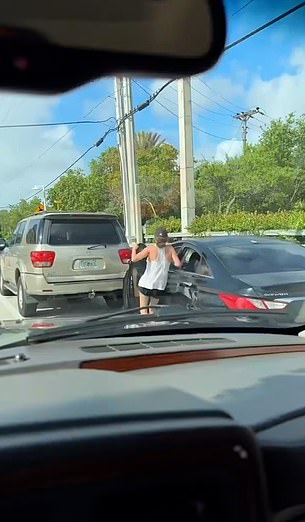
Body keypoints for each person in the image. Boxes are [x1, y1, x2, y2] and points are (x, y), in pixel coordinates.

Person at [131, 227, 181, 314]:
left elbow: (134, 259)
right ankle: (153, 325)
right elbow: (178, 264)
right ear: (166, 238)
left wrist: (133, 249)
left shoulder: (150, 249)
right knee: (152, 310)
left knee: (143, 310)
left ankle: (145, 327)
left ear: (155, 238)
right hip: (159, 286)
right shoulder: (170, 249)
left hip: (145, 284)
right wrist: (171, 261)